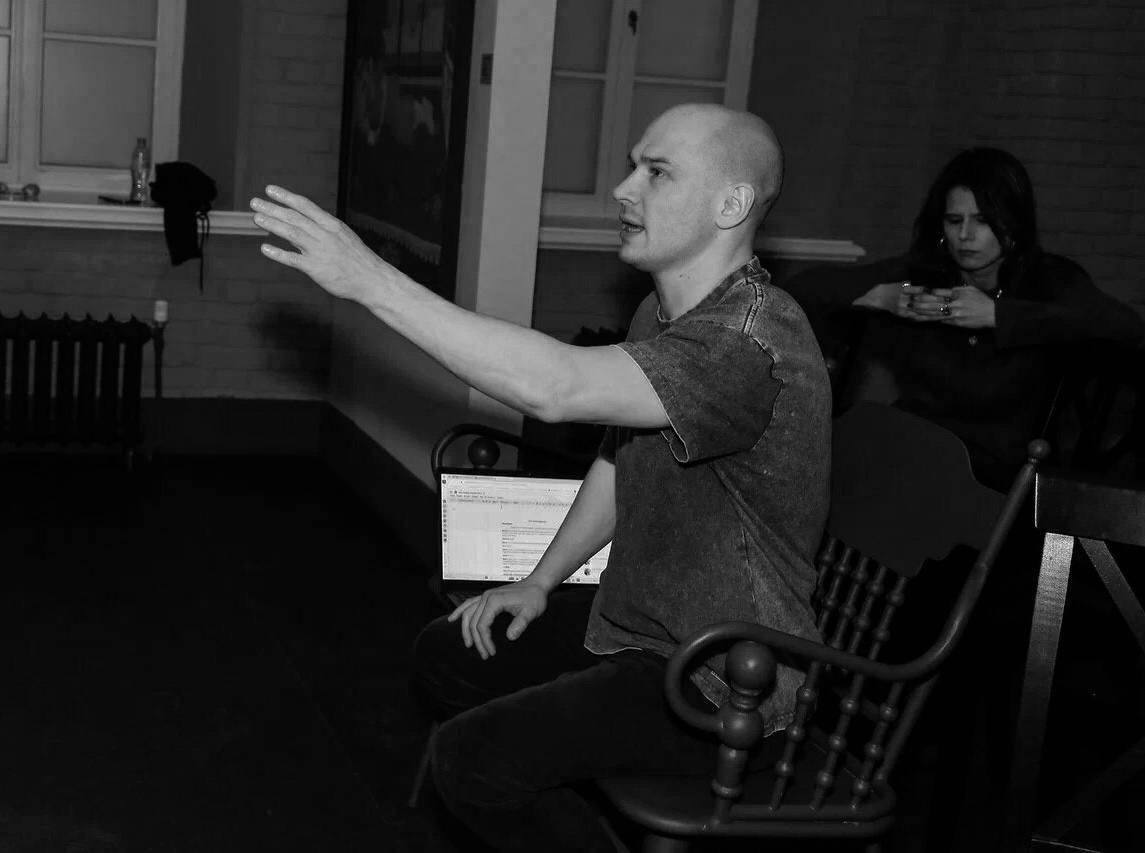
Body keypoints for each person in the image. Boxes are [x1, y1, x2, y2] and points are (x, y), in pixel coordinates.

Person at [250, 103, 832, 853]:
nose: (623, 189)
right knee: (447, 656)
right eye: (633, 165)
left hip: (724, 678)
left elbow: (554, 387)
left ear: (731, 204)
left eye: (656, 173)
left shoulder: (746, 341)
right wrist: (539, 581)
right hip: (642, 632)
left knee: (471, 760)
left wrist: (371, 281)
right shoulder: (664, 315)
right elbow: (619, 459)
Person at [783, 147, 1144, 489]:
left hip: (993, 470)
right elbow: (801, 292)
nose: (966, 235)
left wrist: (999, 315)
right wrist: (882, 295)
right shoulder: (926, 274)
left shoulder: (1047, 280)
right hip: (911, 448)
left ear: (1014, 223)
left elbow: (1124, 326)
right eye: (954, 220)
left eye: (984, 221)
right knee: (843, 454)